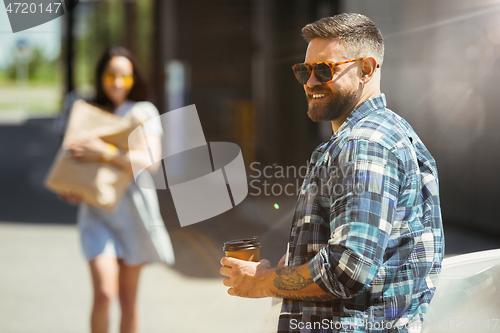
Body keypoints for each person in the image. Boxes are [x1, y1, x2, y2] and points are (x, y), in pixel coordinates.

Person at [220, 13, 444, 333]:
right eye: (304, 70)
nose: (311, 82)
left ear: (366, 69)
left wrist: (264, 283)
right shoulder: (393, 131)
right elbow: (377, 252)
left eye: (324, 70)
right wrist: (299, 267)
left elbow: (349, 268)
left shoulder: (364, 145)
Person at [60, 46, 174, 333]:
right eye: (111, 75)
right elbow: (71, 164)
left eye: (125, 76)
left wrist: (104, 151)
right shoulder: (88, 112)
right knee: (104, 294)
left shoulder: (143, 111)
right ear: (100, 77)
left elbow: (151, 162)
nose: (118, 83)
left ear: (135, 78)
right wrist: (70, 188)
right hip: (96, 214)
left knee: (127, 300)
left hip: (135, 215)